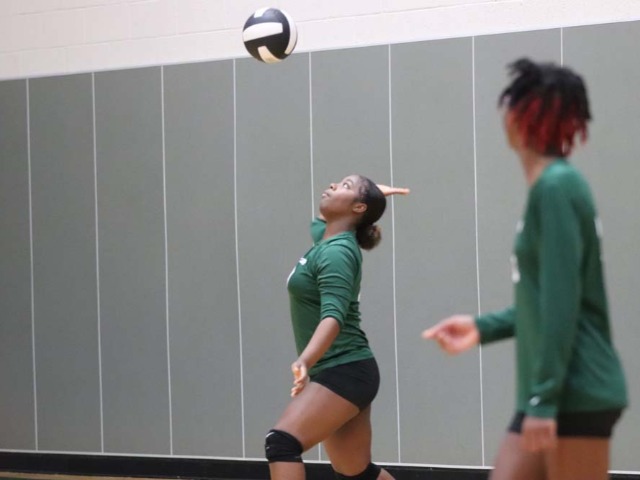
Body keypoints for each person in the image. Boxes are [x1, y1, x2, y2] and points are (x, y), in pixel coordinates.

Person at [422, 58, 627, 480]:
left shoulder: (556, 188)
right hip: (547, 392)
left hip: (574, 391)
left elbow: (562, 304)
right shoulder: (551, 188)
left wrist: (544, 402)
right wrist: (481, 327)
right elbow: (545, 300)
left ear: (519, 119)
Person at [265, 174, 408, 480]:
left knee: (282, 443)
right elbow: (321, 221)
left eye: (345, 186)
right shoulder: (328, 241)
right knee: (355, 471)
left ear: (358, 208)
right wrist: (375, 195)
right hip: (345, 369)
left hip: (345, 369)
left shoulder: (337, 252)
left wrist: (305, 360)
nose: (332, 185)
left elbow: (333, 316)